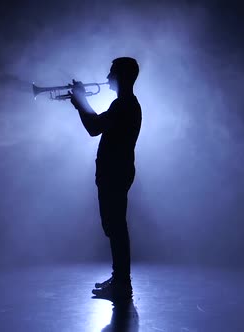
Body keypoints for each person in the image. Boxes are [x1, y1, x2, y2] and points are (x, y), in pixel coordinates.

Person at [69, 57, 141, 301]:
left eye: (112, 73)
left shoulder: (123, 105)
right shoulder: (126, 104)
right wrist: (81, 104)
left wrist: (81, 102)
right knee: (114, 226)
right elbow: (96, 125)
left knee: (116, 227)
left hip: (115, 172)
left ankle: (122, 284)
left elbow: (93, 128)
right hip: (117, 171)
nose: (108, 77)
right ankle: (119, 278)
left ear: (121, 76)